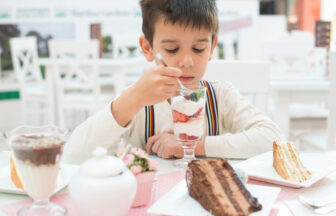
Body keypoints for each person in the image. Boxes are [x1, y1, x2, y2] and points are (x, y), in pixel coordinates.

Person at [64, 0, 285, 164]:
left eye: (199, 48)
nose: (187, 61)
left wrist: (190, 146)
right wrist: (131, 99)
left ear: (212, 47)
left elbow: (274, 141)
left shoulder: (220, 97)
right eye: (172, 49)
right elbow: (73, 155)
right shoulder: (137, 103)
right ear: (148, 48)